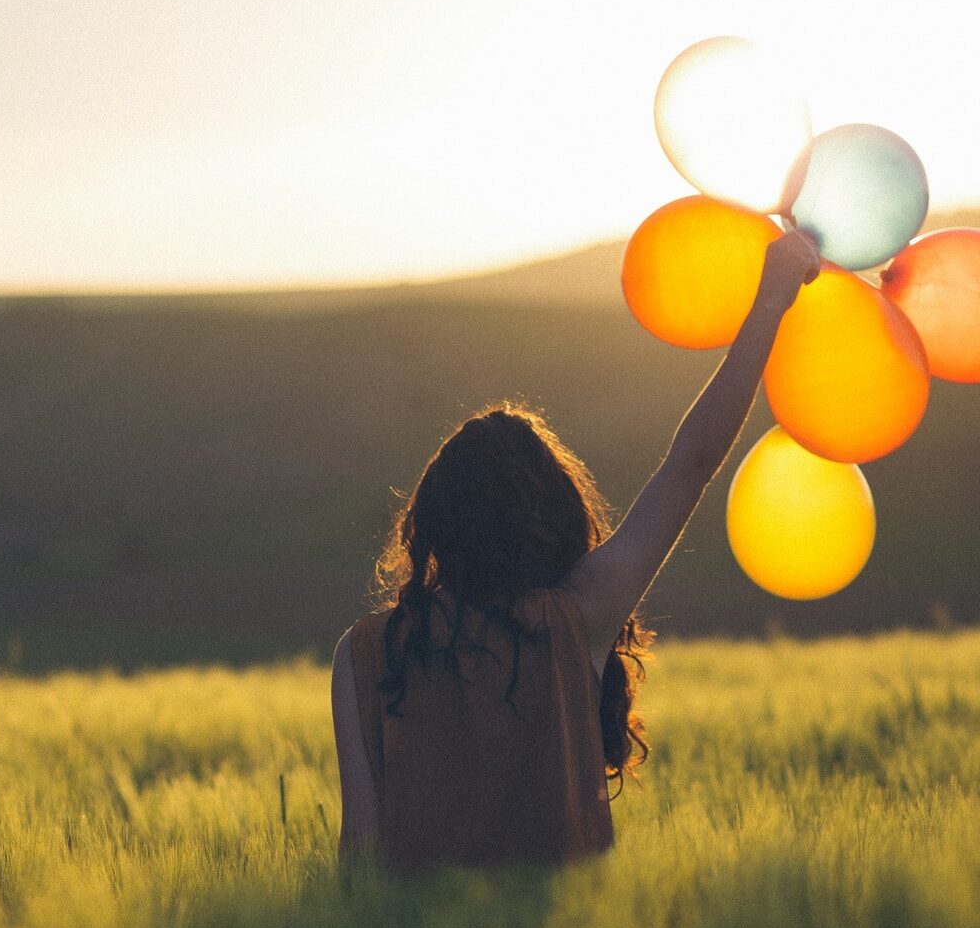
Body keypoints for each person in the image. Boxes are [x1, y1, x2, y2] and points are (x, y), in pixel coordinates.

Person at [332, 229, 820, 874]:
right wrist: (772, 298)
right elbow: (692, 462)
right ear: (552, 515)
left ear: (434, 522)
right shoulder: (577, 616)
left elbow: (360, 845)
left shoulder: (364, 652)